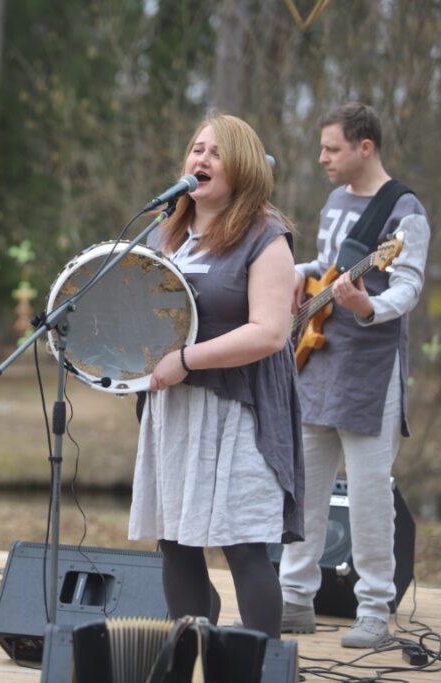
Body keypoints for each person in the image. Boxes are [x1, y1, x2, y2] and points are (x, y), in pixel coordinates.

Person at [128, 114, 303, 639]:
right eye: (195, 149)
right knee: (176, 542)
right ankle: (189, 660)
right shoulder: (169, 232)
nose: (199, 160)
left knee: (244, 546)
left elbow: (270, 333)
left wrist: (185, 360)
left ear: (243, 165)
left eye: (215, 153)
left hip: (240, 406)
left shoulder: (265, 236)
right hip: (175, 410)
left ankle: (263, 667)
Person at [278, 103, 430, 648]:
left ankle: (373, 609)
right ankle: (295, 598)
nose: (322, 158)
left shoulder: (405, 211)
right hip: (318, 358)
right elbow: (327, 266)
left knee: (369, 496)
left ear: (365, 147)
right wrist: (299, 274)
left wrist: (369, 307)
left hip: (371, 372)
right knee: (303, 487)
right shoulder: (335, 200)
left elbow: (408, 287)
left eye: (332, 149)